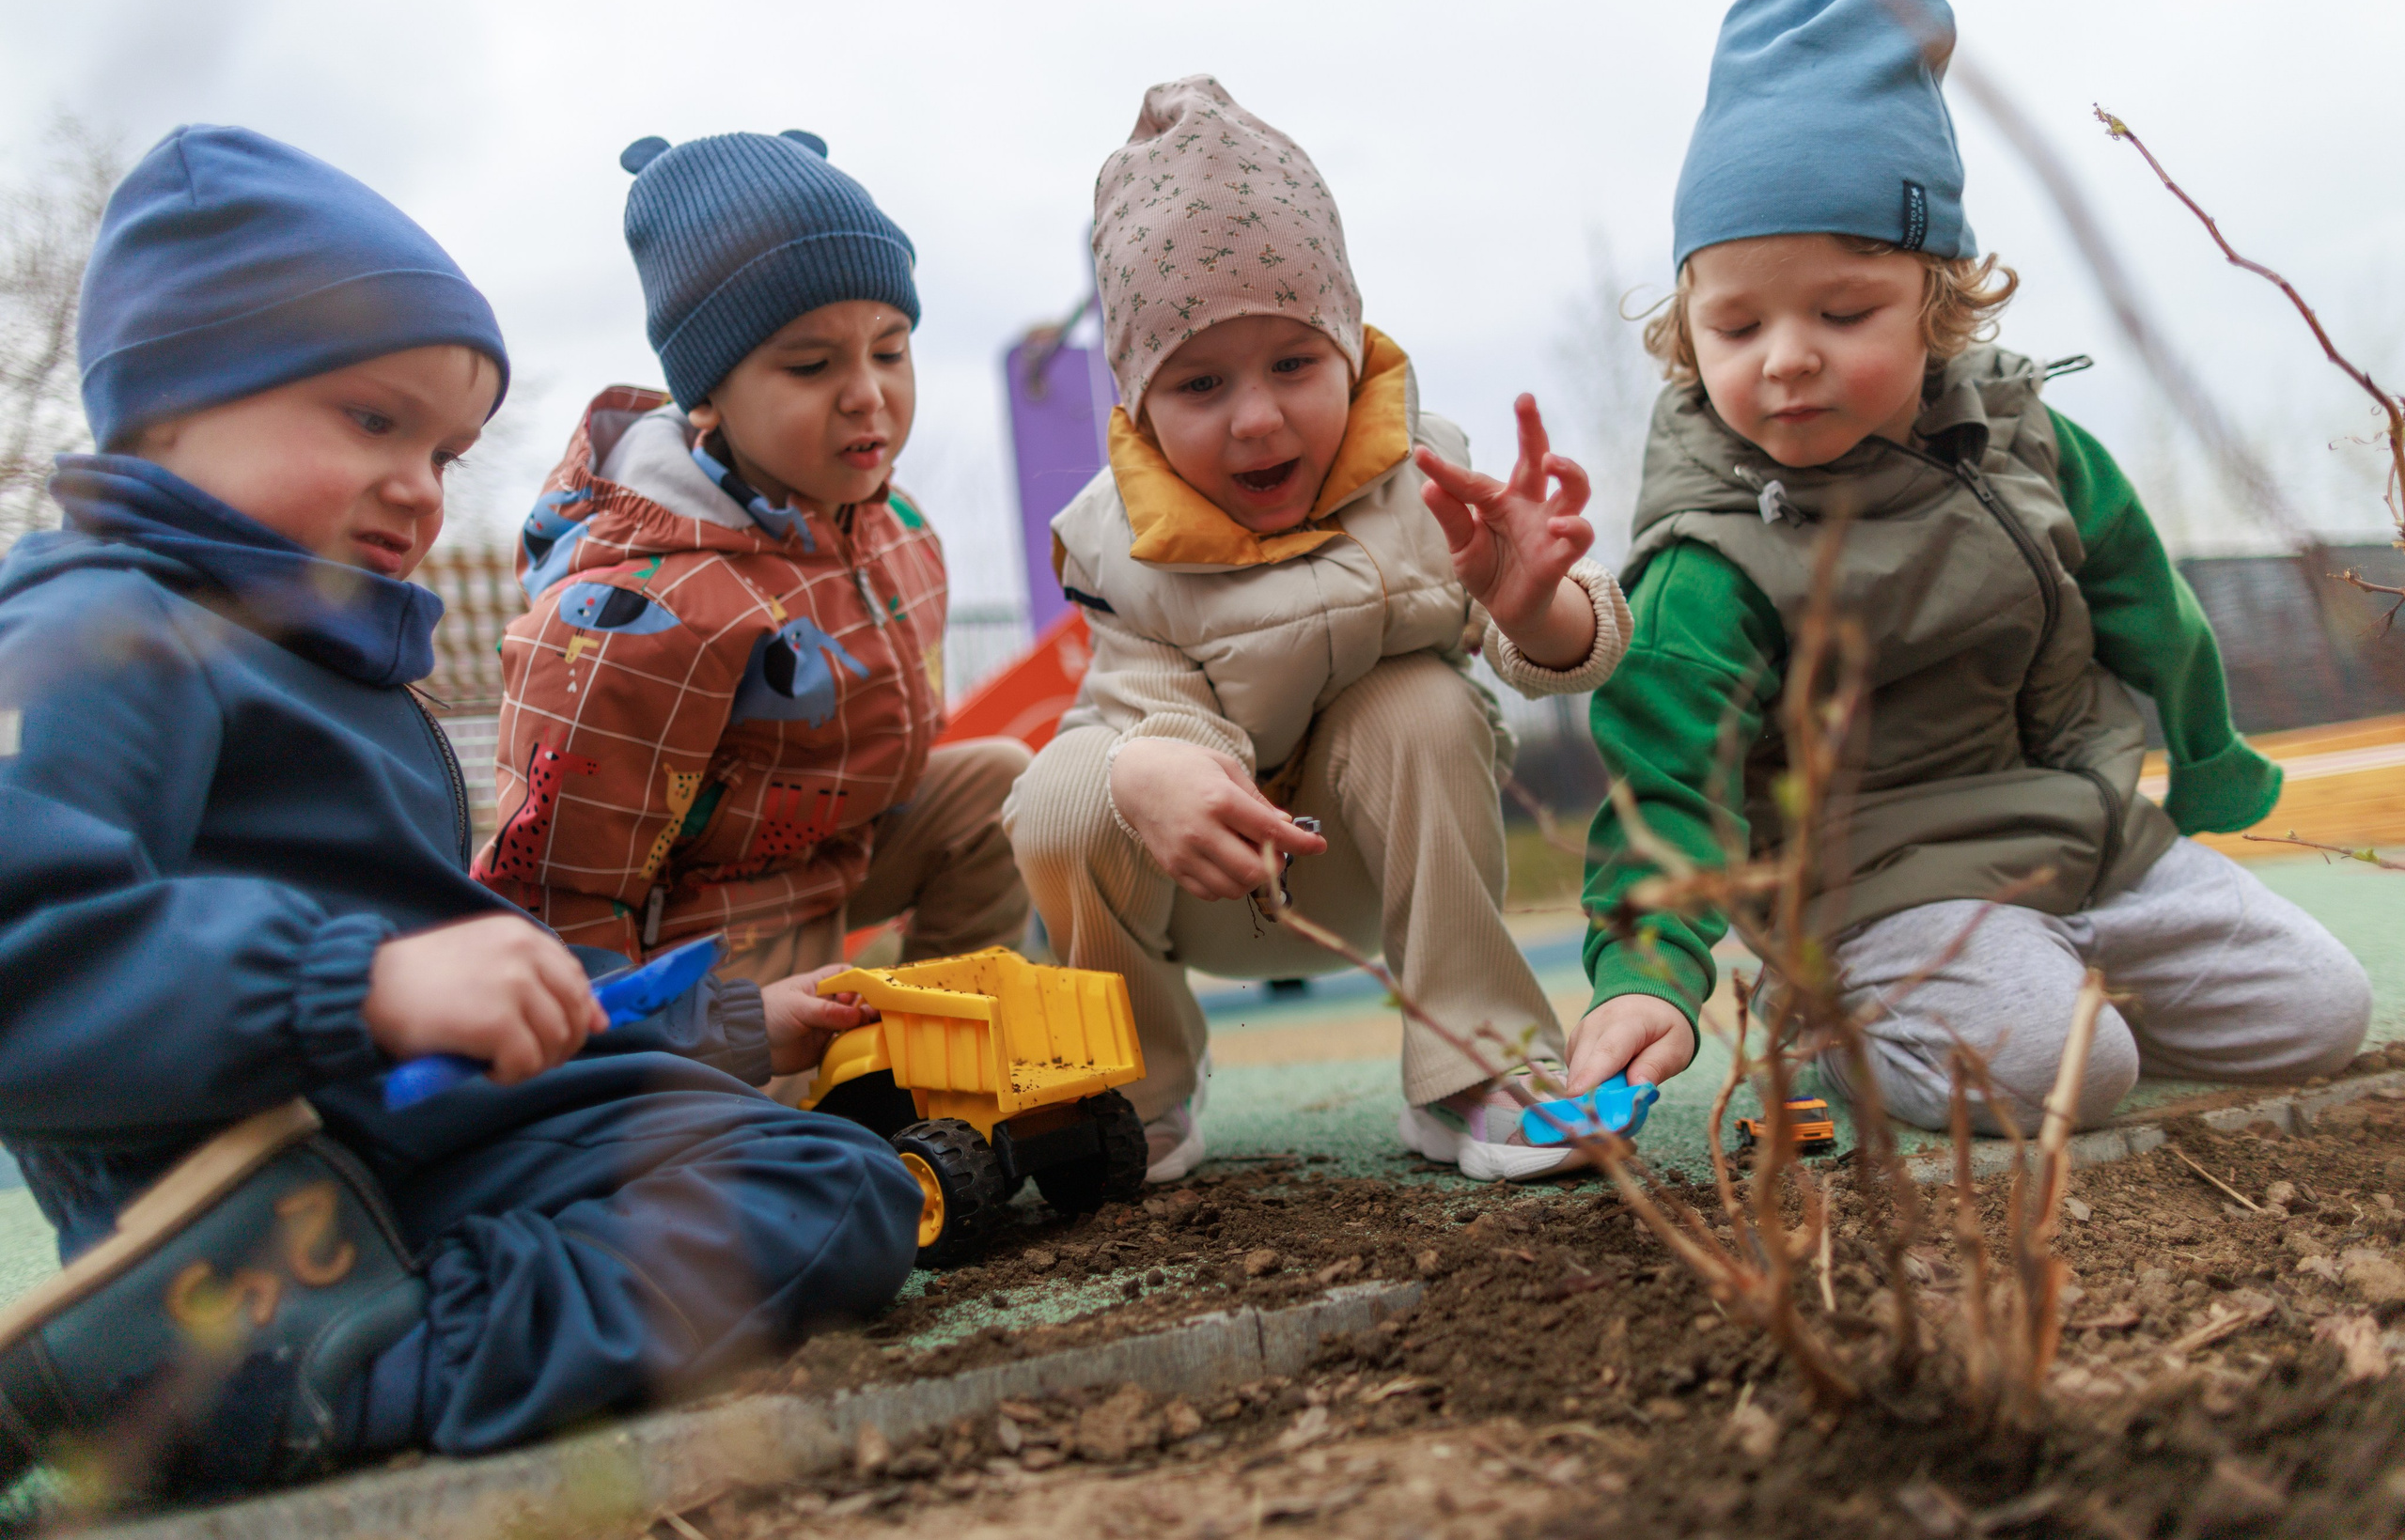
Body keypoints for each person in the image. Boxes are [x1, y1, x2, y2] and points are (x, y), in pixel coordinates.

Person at [0, 127, 920, 1495]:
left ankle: (302, 1335)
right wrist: (353, 980)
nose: (418, 487)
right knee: (817, 1198)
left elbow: (455, 948)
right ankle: (296, 1363)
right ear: (173, 405)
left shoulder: (320, 658)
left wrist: (722, 1018)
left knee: (833, 1178)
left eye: (447, 451)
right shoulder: (99, 634)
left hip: (410, 1133)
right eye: (372, 421)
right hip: (276, 1178)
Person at [1575, 0, 2371, 1132]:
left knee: (2319, 1010)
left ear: (1938, 302)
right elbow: (1668, 778)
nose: (1785, 355)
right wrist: (1651, 972)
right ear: (1687, 328)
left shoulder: (2027, 445)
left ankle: (2041, 989)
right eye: (1736, 323)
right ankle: (1842, 1030)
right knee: (2071, 1073)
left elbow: (2148, 595)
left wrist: (2206, 753)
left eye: (1841, 313)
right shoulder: (1714, 559)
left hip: (2082, 832)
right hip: (1880, 884)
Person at [1007, 77, 1632, 1185]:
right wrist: (1151, 765)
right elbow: (1151, 703)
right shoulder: (1116, 542)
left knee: (1422, 699)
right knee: (1063, 786)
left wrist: (1535, 600)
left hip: (1365, 867)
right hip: (1194, 875)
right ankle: (1136, 1089)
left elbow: (1559, 653)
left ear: (1349, 347)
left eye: (1293, 363)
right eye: (1199, 382)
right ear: (1140, 406)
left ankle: (1474, 1068)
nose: (1257, 417)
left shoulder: (1418, 477)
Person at [476, 131, 1029, 1086]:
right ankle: (791, 1095)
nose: (869, 395)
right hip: (703, 941)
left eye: (891, 349)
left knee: (1000, 785)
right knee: (782, 1165)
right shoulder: (637, 612)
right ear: (708, 405)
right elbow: (557, 887)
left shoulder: (888, 523)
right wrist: (683, 1032)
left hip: (828, 856)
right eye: (811, 367)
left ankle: (947, 1054)